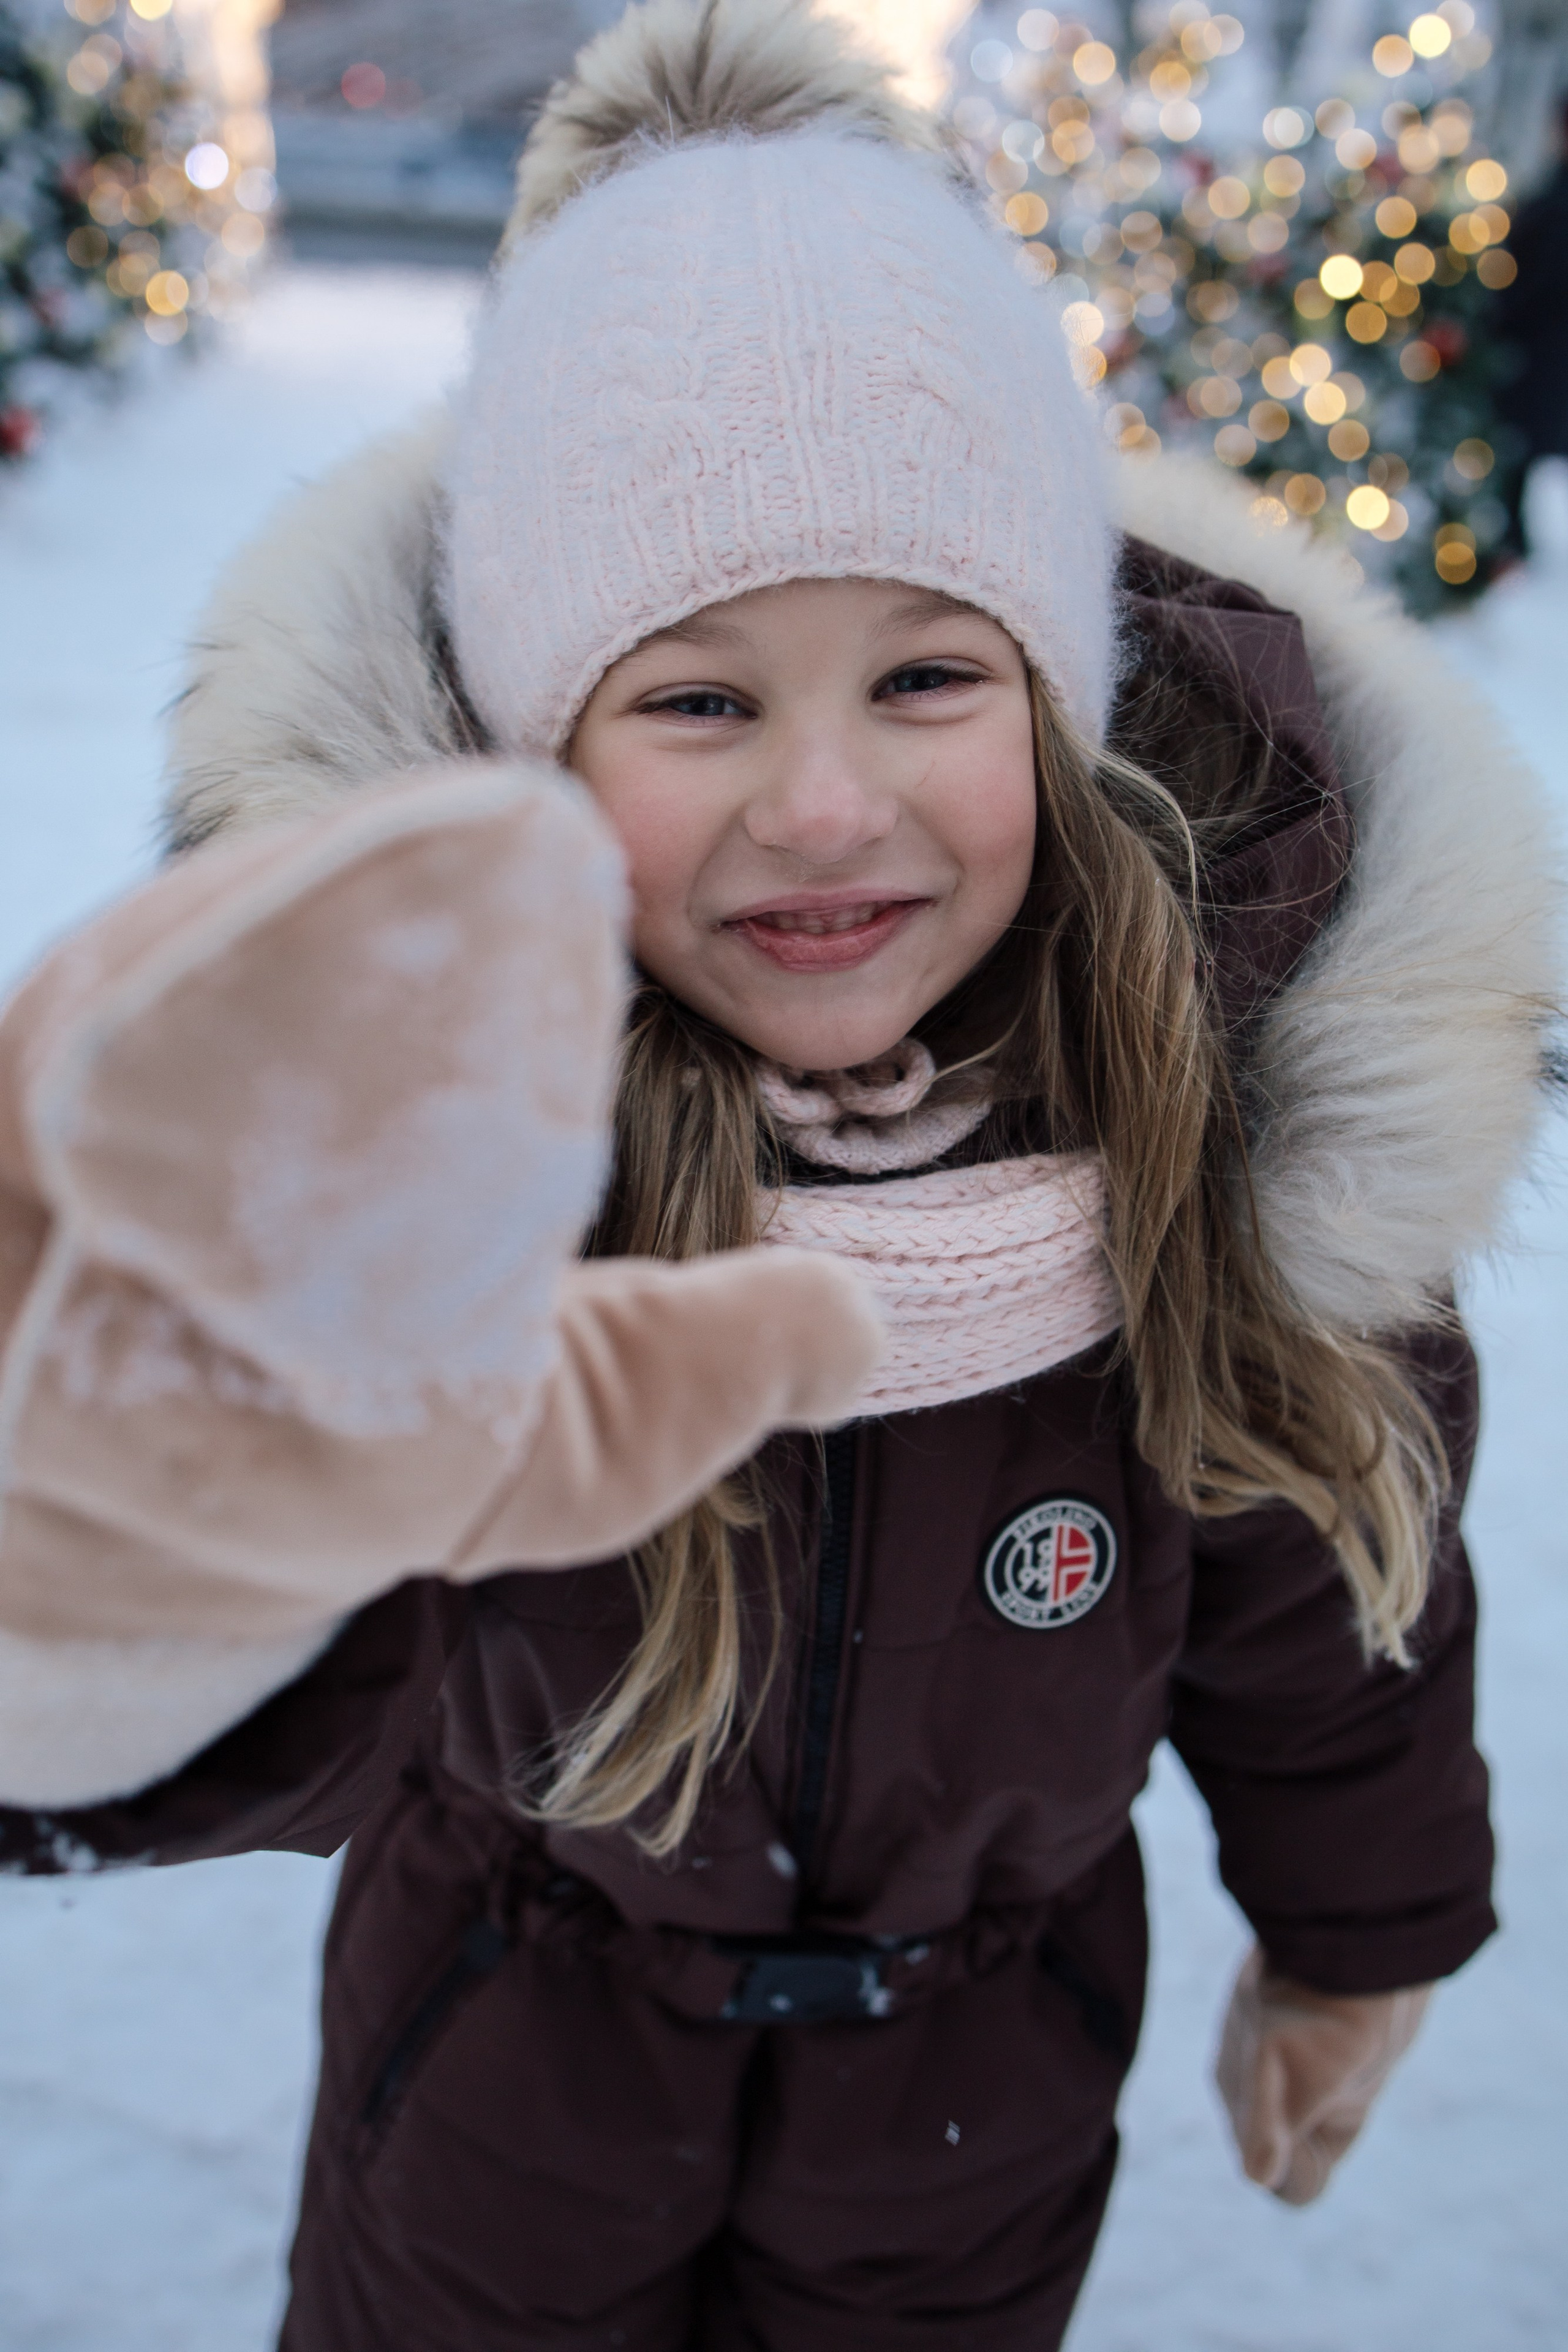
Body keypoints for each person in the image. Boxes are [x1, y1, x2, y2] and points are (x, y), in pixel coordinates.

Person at [0, 3, 1556, 2345]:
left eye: (926, 679)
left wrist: (1363, 1939)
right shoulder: (440, 1151)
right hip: (498, 2063)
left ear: (1059, 702)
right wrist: (105, 1600)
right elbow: (258, 1649)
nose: (825, 810)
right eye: (700, 699)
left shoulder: (1215, 1137)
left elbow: (1331, 1611)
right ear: (539, 743)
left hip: (977, 2090)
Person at [1495, 93, 1568, 558]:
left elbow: (1526, 286)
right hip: (1543, 356)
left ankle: (1511, 549)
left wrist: (1497, 317)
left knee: (1521, 459)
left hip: (1540, 357)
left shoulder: (1552, 206)